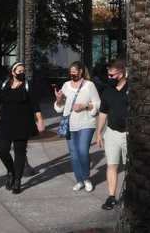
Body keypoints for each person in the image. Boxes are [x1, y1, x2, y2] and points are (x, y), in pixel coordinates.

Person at [0, 63, 45, 195]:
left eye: (23, 70)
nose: (22, 72)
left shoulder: (28, 86)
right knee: (3, 151)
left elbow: (35, 105)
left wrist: (40, 120)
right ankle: (11, 171)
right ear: (13, 72)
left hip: (23, 124)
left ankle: (17, 180)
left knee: (20, 153)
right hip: (5, 123)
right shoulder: (5, 85)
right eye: (19, 70)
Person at [54, 61, 101, 192]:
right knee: (74, 154)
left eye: (75, 71)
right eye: (71, 71)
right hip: (70, 124)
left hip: (86, 123)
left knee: (82, 151)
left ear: (81, 71)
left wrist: (85, 106)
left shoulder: (89, 85)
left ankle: (86, 178)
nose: (72, 73)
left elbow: (97, 103)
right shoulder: (66, 85)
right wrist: (58, 100)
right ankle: (79, 180)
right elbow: (60, 107)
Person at [95, 60, 128, 210]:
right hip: (112, 133)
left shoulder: (133, 88)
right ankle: (111, 197)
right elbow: (103, 112)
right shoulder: (108, 90)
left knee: (131, 166)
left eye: (112, 75)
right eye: (108, 75)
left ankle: (131, 195)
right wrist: (99, 133)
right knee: (111, 165)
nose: (109, 77)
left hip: (130, 134)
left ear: (121, 73)